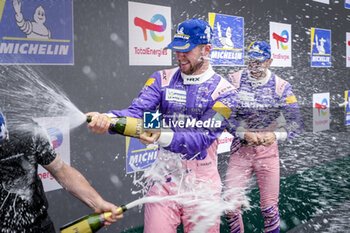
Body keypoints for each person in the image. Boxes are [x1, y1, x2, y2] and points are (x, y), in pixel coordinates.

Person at [87, 18, 239, 233]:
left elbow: (201, 139)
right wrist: (107, 119)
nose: (180, 55)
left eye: (187, 50)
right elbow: (135, 113)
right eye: (177, 49)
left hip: (203, 188)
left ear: (207, 49)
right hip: (163, 181)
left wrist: (160, 135)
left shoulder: (227, 93)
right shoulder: (162, 78)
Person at [224, 40, 303, 233]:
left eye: (258, 62)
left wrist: (275, 135)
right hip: (240, 152)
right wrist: (243, 133)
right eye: (250, 61)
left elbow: (296, 123)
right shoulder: (233, 80)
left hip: (267, 154)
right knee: (230, 207)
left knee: (269, 209)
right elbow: (223, 117)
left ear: (269, 61)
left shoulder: (281, 86)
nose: (253, 67)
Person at [0, 110, 122, 233]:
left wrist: (98, 203)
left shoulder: (24, 129)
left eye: (4, 136)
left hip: (38, 226)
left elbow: (62, 171)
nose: (4, 139)